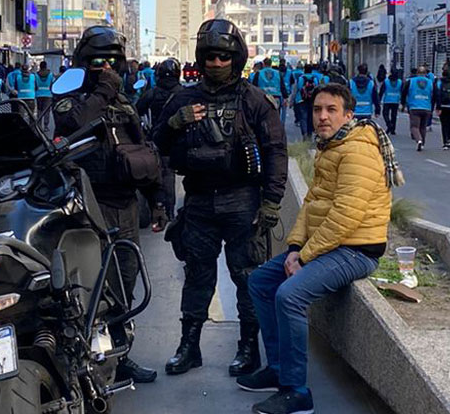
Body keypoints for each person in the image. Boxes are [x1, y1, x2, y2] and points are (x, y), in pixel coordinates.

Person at [240, 83, 397, 414]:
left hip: (357, 251)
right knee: (260, 282)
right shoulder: (332, 146)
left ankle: (297, 392)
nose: (322, 116)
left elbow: (345, 216)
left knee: (290, 295)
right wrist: (295, 246)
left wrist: (305, 256)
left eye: (331, 110)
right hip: (329, 246)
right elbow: (311, 205)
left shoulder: (357, 151)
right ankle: (278, 369)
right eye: (316, 110)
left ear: (348, 115)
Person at [153, 19, 287, 380]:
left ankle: (248, 348)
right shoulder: (183, 99)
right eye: (210, 57)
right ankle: (189, 347)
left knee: (247, 277)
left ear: (236, 58)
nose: (216, 63)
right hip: (198, 202)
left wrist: (271, 201)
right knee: (197, 275)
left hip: (242, 201)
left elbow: (276, 151)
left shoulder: (254, 100)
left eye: (223, 57)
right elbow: (157, 144)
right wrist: (175, 122)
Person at [53, 26, 161, 385]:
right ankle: (82, 363)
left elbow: (143, 153)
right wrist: (102, 91)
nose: (107, 68)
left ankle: (119, 355)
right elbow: (73, 126)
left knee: (124, 284)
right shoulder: (71, 98)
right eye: (99, 62)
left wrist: (157, 201)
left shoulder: (124, 102)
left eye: (113, 62)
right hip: (85, 208)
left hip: (125, 206)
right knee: (87, 288)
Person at [137, 57, 183, 226]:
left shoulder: (153, 93)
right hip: (177, 141)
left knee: (155, 175)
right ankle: (168, 212)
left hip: (156, 139)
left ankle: (158, 208)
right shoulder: (182, 93)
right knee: (169, 175)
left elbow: (137, 110)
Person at [401, 65, 434, 150]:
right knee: (423, 127)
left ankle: (419, 140)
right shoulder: (430, 82)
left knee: (414, 126)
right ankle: (422, 144)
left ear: (417, 73)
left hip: (414, 106)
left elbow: (404, 93)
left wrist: (403, 103)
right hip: (426, 107)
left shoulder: (410, 81)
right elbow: (434, 95)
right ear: (425, 73)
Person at [432, 67, 450, 150]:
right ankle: (449, 140)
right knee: (449, 123)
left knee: (443, 124)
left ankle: (445, 142)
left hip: (443, 106)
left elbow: (437, 95)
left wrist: (437, 107)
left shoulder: (439, 82)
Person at [379, 68, 403, 136]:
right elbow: (402, 91)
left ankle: (389, 124)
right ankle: (393, 129)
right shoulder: (400, 82)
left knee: (385, 114)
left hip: (387, 100)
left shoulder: (386, 81)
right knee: (394, 115)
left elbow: (381, 91)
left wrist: (379, 99)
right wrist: (402, 101)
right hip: (396, 100)